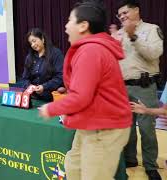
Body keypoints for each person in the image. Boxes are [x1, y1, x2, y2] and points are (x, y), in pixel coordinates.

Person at [39, 1, 132, 179]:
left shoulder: (91, 51)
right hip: (92, 122)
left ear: (83, 26)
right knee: (74, 166)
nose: (66, 26)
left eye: (69, 21)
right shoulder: (91, 49)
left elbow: (81, 96)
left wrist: (51, 109)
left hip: (105, 127)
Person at [117, 0, 163, 179]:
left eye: (125, 13)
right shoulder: (119, 33)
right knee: (126, 126)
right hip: (122, 87)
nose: (122, 17)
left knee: (146, 128)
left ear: (136, 11)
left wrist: (134, 36)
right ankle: (130, 159)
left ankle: (151, 165)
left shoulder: (151, 29)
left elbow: (154, 53)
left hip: (144, 87)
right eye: (120, 15)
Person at [21, 28, 64, 102]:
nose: (33, 45)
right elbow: (25, 78)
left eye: (34, 41)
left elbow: (60, 77)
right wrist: (30, 87)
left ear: (43, 39)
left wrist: (44, 87)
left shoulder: (56, 54)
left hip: (51, 98)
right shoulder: (29, 57)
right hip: (33, 98)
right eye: (31, 43)